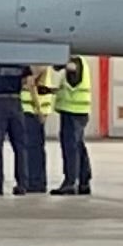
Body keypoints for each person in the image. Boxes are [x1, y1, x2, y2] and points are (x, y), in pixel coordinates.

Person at [0, 61, 39, 196]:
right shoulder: (20, 61)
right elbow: (30, 82)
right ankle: (22, 185)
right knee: (20, 146)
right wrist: (37, 106)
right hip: (16, 102)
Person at [42, 64, 95, 195]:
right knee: (78, 147)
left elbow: (72, 68)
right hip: (78, 112)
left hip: (73, 113)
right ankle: (84, 182)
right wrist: (50, 91)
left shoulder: (76, 61)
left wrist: (60, 62)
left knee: (70, 149)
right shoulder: (83, 63)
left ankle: (70, 183)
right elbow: (69, 88)